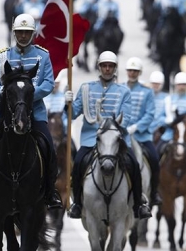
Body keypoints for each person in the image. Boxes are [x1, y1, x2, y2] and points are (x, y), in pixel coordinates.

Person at [0, 13, 64, 210]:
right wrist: (5, 94)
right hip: (6, 114)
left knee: (49, 150)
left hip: (34, 113)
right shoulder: (3, 55)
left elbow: (47, 83)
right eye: (19, 32)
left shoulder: (42, 55)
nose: (22, 36)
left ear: (33, 33)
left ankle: (50, 190)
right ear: (14, 33)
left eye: (26, 33)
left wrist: (27, 96)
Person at [64, 51, 151, 219]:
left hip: (116, 140)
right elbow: (73, 114)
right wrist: (67, 102)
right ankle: (77, 204)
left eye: (110, 66)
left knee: (133, 162)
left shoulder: (123, 91)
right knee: (79, 162)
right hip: (91, 139)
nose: (107, 69)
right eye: (104, 66)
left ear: (115, 69)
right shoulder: (86, 88)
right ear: (99, 67)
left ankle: (139, 203)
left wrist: (109, 129)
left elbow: (125, 119)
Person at [121, 57, 162, 206]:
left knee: (155, 160)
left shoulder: (147, 92)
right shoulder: (119, 89)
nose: (132, 73)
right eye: (130, 70)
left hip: (141, 136)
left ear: (139, 73)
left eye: (135, 71)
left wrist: (136, 127)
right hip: (121, 135)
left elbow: (150, 114)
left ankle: (154, 193)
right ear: (126, 72)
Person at [148, 71, 169, 137]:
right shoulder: (146, 96)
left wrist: (161, 123)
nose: (156, 86)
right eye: (154, 83)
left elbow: (167, 115)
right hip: (146, 128)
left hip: (161, 129)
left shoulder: (167, 97)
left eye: (158, 84)